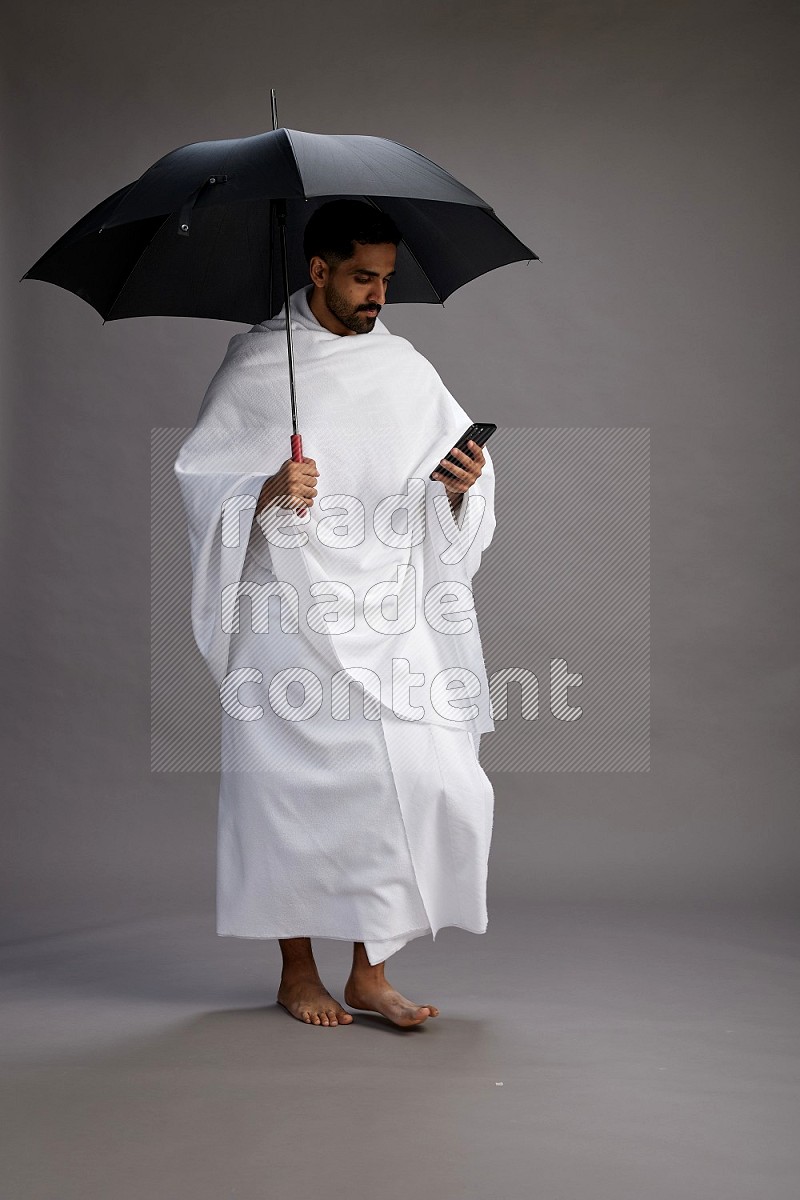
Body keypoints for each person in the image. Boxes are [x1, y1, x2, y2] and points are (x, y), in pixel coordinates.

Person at [174, 199, 496, 1028]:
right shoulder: (257, 364)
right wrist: (262, 492)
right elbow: (203, 484)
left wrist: (458, 489)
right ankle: (297, 973)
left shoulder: (406, 368)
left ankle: (369, 970)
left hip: (389, 605)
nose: (377, 295)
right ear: (317, 271)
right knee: (288, 789)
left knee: (407, 781)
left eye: (386, 279)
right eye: (362, 277)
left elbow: (444, 482)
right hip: (285, 613)